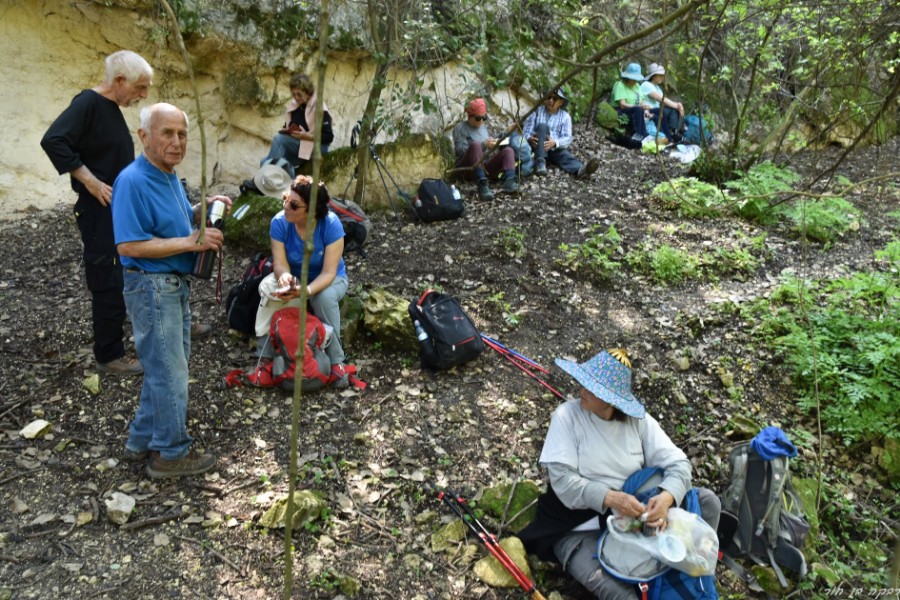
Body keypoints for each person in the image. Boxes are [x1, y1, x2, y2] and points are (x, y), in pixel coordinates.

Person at [518, 348, 721, 599]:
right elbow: (564, 482)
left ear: (611, 399)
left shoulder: (638, 422)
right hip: (577, 527)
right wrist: (613, 499)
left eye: (592, 389)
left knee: (708, 502)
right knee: (622, 595)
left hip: (636, 517)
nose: (581, 391)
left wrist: (667, 497)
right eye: (583, 383)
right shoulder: (567, 416)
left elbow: (678, 463)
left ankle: (692, 576)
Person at [111, 103, 232, 478]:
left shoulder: (166, 174)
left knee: (161, 367)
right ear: (144, 136)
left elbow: (171, 223)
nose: (177, 142)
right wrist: (191, 241)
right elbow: (129, 246)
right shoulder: (132, 180)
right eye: (167, 133)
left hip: (170, 287)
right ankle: (171, 453)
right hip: (151, 287)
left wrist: (202, 209)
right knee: (170, 373)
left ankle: (141, 439)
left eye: (182, 134)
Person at [40, 50, 158, 376]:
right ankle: (109, 354)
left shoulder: (111, 106)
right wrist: (91, 182)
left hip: (118, 205)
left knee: (130, 267)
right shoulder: (88, 104)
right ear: (119, 81)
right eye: (140, 87)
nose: (144, 94)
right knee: (107, 274)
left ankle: (151, 330)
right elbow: (54, 140)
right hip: (98, 208)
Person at [254, 176, 351, 388]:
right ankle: (265, 356)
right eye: (286, 199)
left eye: (294, 204)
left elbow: (329, 272)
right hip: (297, 276)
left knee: (323, 298)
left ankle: (336, 361)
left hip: (330, 279)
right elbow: (279, 263)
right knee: (269, 288)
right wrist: (285, 278)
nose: (286, 206)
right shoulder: (279, 223)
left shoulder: (331, 225)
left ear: (313, 211)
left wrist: (305, 291)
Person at [522, 88, 600, 179]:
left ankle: (581, 170)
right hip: (535, 146)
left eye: (554, 98)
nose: (550, 100)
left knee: (564, 156)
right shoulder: (537, 111)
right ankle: (540, 162)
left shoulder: (565, 117)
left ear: (561, 102)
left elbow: (567, 138)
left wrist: (555, 142)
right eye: (549, 97)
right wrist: (529, 138)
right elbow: (526, 131)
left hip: (553, 149)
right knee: (542, 127)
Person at [451, 98, 519, 201]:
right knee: (475, 145)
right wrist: (484, 144)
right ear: (470, 116)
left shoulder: (482, 126)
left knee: (508, 151)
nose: (482, 121)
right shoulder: (460, 128)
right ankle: (482, 186)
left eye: (484, 118)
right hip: (469, 168)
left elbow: (487, 143)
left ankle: (510, 181)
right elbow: (460, 151)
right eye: (478, 118)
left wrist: (500, 137)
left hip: (485, 165)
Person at [641, 63, 685, 144]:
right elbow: (661, 99)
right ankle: (670, 134)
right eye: (660, 75)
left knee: (672, 109)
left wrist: (678, 105)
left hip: (657, 111)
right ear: (653, 76)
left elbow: (665, 102)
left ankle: (673, 132)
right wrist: (677, 106)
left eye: (663, 75)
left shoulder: (657, 88)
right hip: (649, 112)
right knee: (673, 108)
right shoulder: (646, 85)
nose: (663, 77)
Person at [611, 63, 651, 141]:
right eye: (632, 78)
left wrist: (645, 109)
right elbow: (622, 105)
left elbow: (642, 101)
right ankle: (638, 134)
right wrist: (637, 107)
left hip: (636, 110)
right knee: (638, 109)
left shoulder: (637, 86)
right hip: (621, 111)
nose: (634, 80)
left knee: (642, 110)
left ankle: (644, 134)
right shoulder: (620, 85)